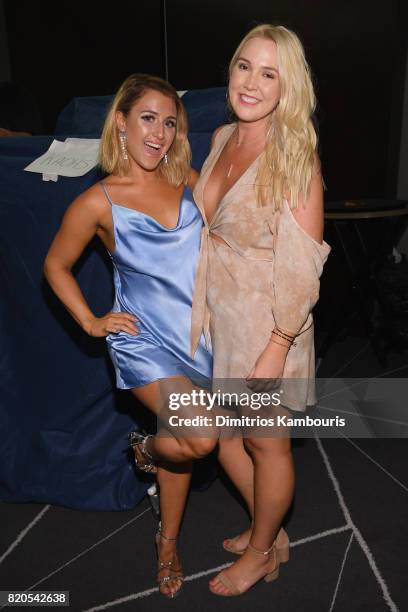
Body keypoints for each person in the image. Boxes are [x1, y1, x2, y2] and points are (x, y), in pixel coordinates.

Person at [44, 73, 218, 599]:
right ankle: (147, 448)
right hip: (143, 340)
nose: (159, 133)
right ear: (120, 122)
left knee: (182, 445)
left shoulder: (185, 177)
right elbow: (55, 264)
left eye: (169, 122)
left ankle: (166, 542)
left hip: (198, 337)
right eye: (148, 118)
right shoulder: (98, 201)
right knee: (202, 437)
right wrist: (92, 322)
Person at [191, 25, 331, 596]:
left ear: (287, 86)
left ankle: (259, 550)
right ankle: (270, 533)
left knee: (265, 443)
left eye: (268, 73)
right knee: (225, 439)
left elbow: (304, 268)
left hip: (271, 323)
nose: (251, 82)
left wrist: (277, 345)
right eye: (244, 66)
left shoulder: (296, 157)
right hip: (221, 317)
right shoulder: (223, 135)